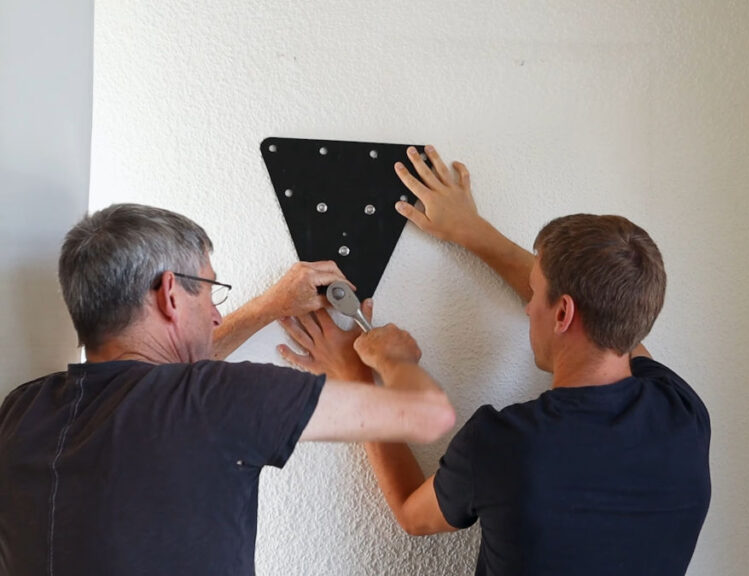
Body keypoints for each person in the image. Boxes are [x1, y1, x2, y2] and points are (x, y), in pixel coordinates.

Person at [282, 147, 712, 575]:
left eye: (535, 291)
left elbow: (413, 515)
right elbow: (609, 306)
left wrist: (356, 375)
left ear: (562, 313)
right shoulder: (681, 412)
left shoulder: (505, 444)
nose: (528, 306)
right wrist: (473, 232)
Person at [0, 203, 455, 576]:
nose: (217, 316)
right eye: (210, 291)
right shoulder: (218, 398)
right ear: (170, 295)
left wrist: (267, 307)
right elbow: (424, 413)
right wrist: (393, 358)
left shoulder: (21, 410)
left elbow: (153, 375)